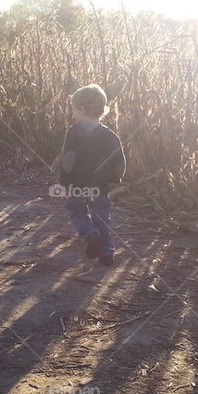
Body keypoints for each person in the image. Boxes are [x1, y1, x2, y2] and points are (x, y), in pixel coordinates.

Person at [54, 84, 126, 265]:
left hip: (76, 186)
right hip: (100, 188)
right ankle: (107, 253)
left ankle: (89, 233)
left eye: (74, 110)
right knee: (102, 218)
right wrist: (115, 178)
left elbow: (68, 159)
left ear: (83, 109)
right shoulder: (111, 136)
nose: (73, 114)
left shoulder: (74, 132)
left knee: (77, 211)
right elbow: (119, 160)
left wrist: (64, 181)